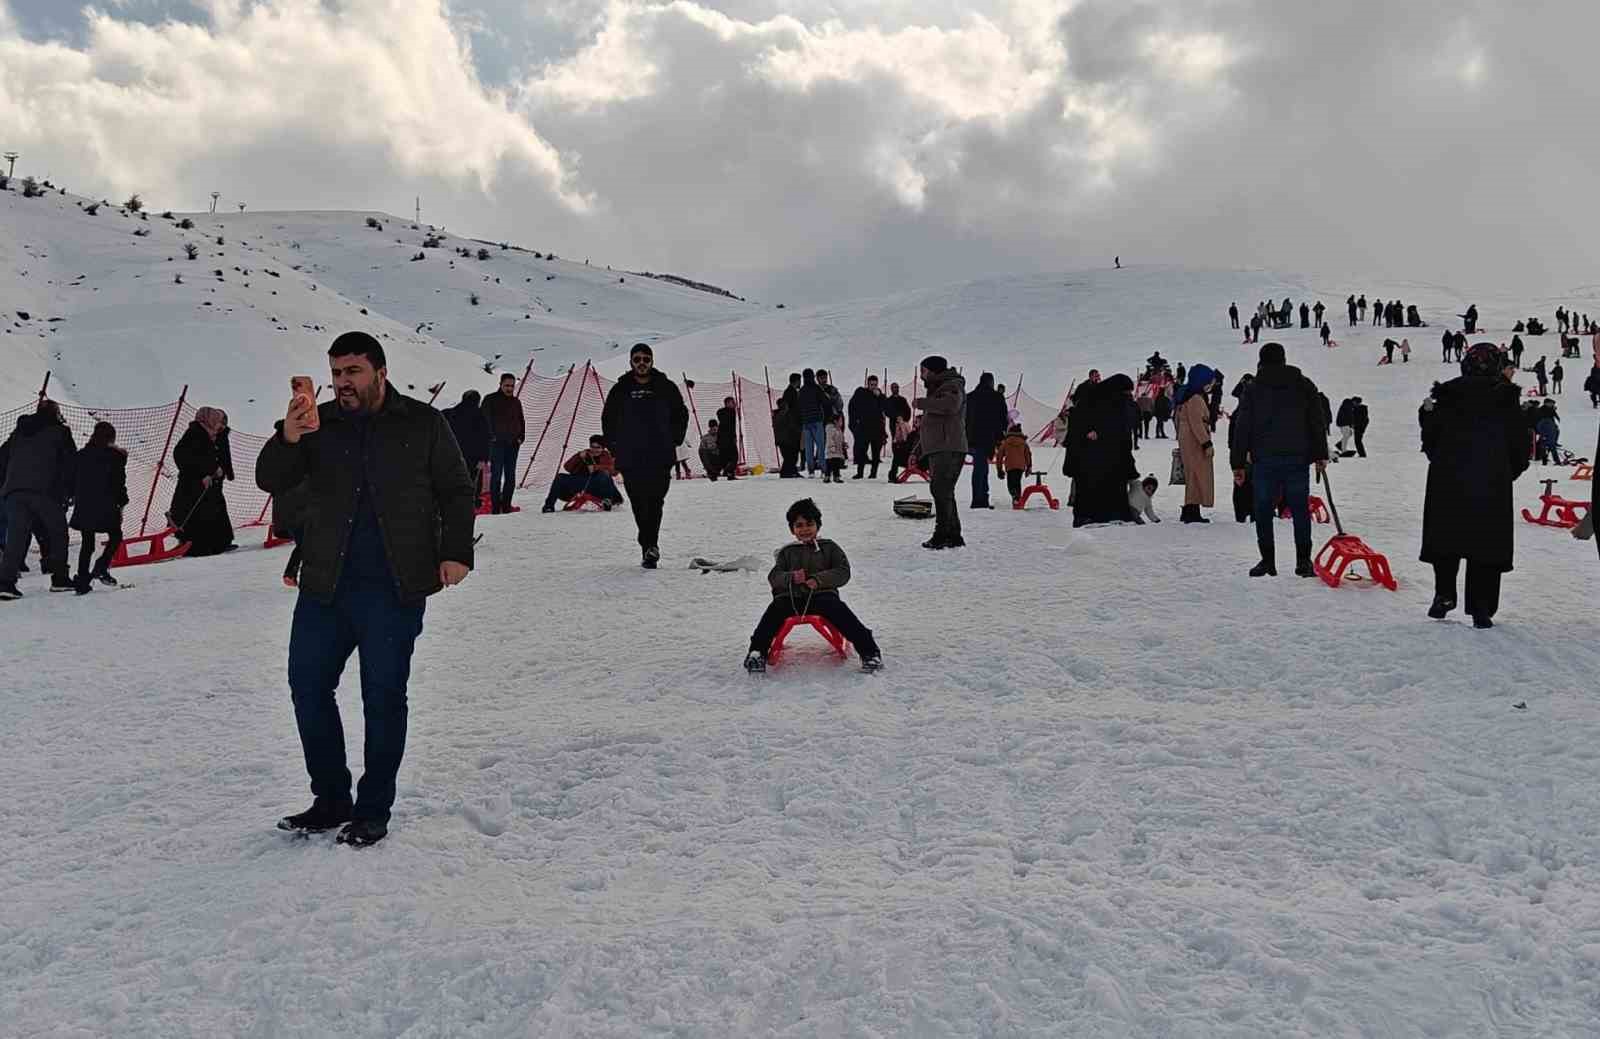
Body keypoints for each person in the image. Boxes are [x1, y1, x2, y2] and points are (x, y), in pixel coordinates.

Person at [258, 330, 476, 846]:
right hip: (325, 585)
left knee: (382, 697)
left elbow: (456, 489)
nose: (342, 384)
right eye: (335, 374)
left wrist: (456, 552)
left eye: (352, 372)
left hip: (393, 588)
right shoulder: (317, 423)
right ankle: (331, 798)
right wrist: (288, 436)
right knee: (307, 687)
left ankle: (373, 808)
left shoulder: (423, 423)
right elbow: (271, 479)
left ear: (380, 372)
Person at [1420, 344, 1529, 627]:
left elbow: (1431, 439)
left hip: (1448, 476)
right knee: (1486, 542)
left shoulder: (1446, 393)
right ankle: (1481, 608)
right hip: (1491, 479)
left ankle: (1444, 595)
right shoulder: (1505, 395)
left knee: (1446, 537)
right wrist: (1506, 472)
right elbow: (1519, 444)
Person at [743, 498, 881, 673]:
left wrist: (818, 580)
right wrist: (790, 578)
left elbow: (842, 571)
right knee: (773, 613)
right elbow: (774, 577)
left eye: (809, 524)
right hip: (791, 600)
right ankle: (757, 651)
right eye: (799, 525)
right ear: (792, 529)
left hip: (822, 597)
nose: (805, 529)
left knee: (841, 613)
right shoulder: (787, 552)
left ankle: (869, 652)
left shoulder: (829, 548)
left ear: (818, 526)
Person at [1229, 342, 1330, 578]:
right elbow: (1317, 421)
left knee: (1263, 510)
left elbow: (1242, 428)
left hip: (1264, 460)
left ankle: (1267, 561)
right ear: (1284, 359)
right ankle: (1303, 562)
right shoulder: (1304, 384)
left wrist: (1237, 464)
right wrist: (1320, 454)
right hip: (1297, 458)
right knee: (1299, 510)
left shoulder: (1253, 389)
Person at [601, 343, 689, 568]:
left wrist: (675, 439)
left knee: (655, 500)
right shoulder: (621, 389)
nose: (642, 363)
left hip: (660, 454)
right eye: (637, 359)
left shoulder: (665, 386)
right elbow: (608, 419)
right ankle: (648, 544)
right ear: (631, 361)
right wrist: (614, 447)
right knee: (639, 501)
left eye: (646, 359)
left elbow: (681, 413)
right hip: (630, 456)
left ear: (652, 361)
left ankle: (651, 544)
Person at [0, 400, 76, 598]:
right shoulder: (61, 432)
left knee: (15, 538)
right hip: (46, 492)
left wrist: (6, 486)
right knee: (58, 533)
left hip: (14, 493)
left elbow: (2, 457)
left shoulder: (18, 432)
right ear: (56, 413)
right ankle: (59, 578)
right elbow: (70, 464)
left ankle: (6, 583)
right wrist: (69, 493)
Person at [1063, 374, 1137, 526]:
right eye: (1125, 393)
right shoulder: (1090, 402)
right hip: (1088, 458)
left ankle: (1113, 513)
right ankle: (1086, 516)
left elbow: (1123, 433)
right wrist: (1089, 433)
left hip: (1112, 458)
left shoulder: (1118, 406)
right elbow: (1077, 429)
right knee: (1088, 486)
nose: (1128, 397)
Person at [914, 356, 967, 549]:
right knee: (944, 491)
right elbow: (931, 426)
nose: (921, 375)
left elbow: (950, 405)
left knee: (940, 490)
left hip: (948, 448)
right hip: (940, 448)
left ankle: (942, 534)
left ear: (933, 371)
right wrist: (918, 450)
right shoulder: (937, 389)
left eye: (924, 371)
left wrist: (923, 403)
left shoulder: (951, 385)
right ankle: (953, 535)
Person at [69, 421, 128, 592]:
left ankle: (82, 580)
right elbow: (118, 483)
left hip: (85, 504)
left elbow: (73, 480)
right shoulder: (115, 457)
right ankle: (101, 566)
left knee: (87, 542)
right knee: (116, 535)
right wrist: (122, 501)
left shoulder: (81, 455)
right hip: (106, 504)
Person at [170, 406, 236, 556]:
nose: (220, 426)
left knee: (213, 511)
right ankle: (197, 547)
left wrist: (219, 470)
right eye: (218, 421)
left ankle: (218, 543)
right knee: (199, 515)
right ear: (210, 420)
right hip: (194, 485)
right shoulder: (195, 433)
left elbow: (212, 455)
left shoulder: (209, 433)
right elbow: (184, 457)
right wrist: (206, 472)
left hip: (208, 484)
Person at [1175, 365, 1217, 524]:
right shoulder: (1195, 399)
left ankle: (1191, 509)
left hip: (1189, 440)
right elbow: (1197, 423)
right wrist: (1206, 443)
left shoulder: (1189, 395)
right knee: (1196, 476)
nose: (1211, 386)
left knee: (1194, 476)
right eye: (1209, 382)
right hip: (1194, 442)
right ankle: (1191, 511)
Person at [480, 373, 525, 514]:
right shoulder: (490, 399)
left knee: (511, 476)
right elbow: (484, 420)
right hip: (496, 444)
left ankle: (506, 505)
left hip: (513, 444)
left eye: (512, 386)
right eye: (507, 385)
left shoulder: (516, 402)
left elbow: (521, 420)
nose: (509, 388)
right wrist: (491, 437)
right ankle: (495, 507)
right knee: (496, 475)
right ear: (500, 384)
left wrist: (521, 437)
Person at [542, 434, 623, 511]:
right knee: (560, 477)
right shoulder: (584, 454)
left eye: (598, 447)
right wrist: (578, 457)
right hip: (581, 483)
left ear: (603, 448)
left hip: (597, 486)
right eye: (592, 447)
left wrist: (595, 468)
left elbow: (614, 471)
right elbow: (567, 467)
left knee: (604, 474)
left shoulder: (606, 456)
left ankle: (607, 501)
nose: (595, 450)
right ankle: (549, 506)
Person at [964, 372, 1008, 509]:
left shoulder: (970, 397)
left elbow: (964, 418)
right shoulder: (997, 397)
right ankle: (979, 500)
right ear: (991, 382)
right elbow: (1003, 418)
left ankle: (981, 498)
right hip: (988, 438)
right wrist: (1001, 436)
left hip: (972, 438)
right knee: (980, 468)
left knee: (980, 467)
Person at [443, 390, 492, 498]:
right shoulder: (481, 416)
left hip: (453, 454)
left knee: (454, 480)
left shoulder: (449, 413)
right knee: (471, 482)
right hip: (473, 458)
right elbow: (486, 438)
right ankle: (471, 504)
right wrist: (484, 458)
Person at [847, 375, 887, 479]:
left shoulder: (880, 396)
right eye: (871, 384)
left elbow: (886, 407)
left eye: (875, 384)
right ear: (867, 384)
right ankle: (860, 473)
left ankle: (873, 473)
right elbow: (852, 407)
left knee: (876, 452)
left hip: (877, 428)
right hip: (864, 427)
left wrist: (880, 396)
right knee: (861, 451)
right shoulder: (861, 393)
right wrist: (854, 423)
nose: (873, 387)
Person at [797, 368, 825, 475]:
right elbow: (825, 401)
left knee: (809, 448)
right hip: (817, 420)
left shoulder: (802, 391)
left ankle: (811, 471)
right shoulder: (816, 388)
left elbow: (799, 406)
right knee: (821, 447)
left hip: (806, 422)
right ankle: (823, 469)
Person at [775, 372, 803, 477]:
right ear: (796, 381)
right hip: (791, 428)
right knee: (792, 452)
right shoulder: (790, 393)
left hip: (790, 428)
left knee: (792, 452)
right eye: (799, 380)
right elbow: (793, 411)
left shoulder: (790, 392)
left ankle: (790, 471)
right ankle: (788, 471)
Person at [996, 423, 1032, 504]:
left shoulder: (1006, 442)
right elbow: (1028, 454)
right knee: (1017, 481)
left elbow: (999, 455)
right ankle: (1017, 498)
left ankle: (1014, 494)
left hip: (1010, 466)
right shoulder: (1023, 442)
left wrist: (999, 469)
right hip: (1020, 466)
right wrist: (1029, 466)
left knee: (1010, 482)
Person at [883, 382, 912, 482]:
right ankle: (894, 470)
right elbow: (887, 411)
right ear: (891, 389)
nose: (895, 389)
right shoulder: (889, 401)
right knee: (896, 445)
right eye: (894, 387)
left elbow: (908, 411)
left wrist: (903, 419)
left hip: (903, 425)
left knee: (905, 443)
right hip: (894, 426)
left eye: (897, 387)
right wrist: (896, 417)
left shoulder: (902, 400)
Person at [715, 396, 739, 479]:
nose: (734, 404)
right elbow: (730, 427)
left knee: (725, 457)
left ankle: (726, 472)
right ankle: (728, 472)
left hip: (722, 438)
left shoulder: (722, 412)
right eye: (733, 402)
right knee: (734, 456)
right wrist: (733, 437)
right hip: (727, 438)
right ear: (727, 403)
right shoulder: (730, 412)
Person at [824, 414, 848, 483]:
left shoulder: (839, 430)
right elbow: (829, 439)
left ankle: (836, 476)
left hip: (838, 451)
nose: (842, 423)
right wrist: (832, 447)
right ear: (835, 421)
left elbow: (841, 438)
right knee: (829, 464)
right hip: (831, 451)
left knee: (836, 465)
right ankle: (827, 476)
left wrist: (843, 444)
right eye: (840, 421)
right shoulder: (830, 429)